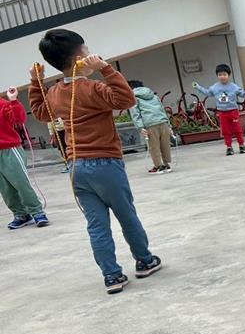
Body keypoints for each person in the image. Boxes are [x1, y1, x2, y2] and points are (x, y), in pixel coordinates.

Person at [29, 28, 162, 294]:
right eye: (87, 50)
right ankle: (144, 260)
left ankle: (112, 275)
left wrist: (36, 82)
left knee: (97, 225)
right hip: (106, 163)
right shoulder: (93, 88)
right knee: (126, 215)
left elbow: (41, 112)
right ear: (80, 58)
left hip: (76, 168)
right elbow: (127, 99)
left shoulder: (55, 93)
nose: (92, 54)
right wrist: (106, 69)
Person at [1, 86, 50, 229]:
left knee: (20, 182)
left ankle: (37, 212)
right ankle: (20, 214)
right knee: (5, 188)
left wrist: (13, 101)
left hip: (10, 150)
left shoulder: (3, 105)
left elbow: (19, 119)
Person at [193, 65, 245, 156]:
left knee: (237, 129)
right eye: (220, 74)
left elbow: (243, 94)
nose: (222, 76)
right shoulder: (215, 87)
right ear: (217, 76)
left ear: (229, 75)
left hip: (233, 111)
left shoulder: (234, 87)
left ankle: (241, 145)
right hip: (222, 113)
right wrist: (198, 87)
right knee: (226, 131)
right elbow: (207, 93)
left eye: (224, 74)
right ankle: (229, 147)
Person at [127, 80, 174, 174]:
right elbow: (162, 110)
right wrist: (169, 125)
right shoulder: (154, 96)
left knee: (154, 146)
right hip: (163, 122)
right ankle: (166, 165)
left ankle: (159, 166)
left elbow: (135, 114)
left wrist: (140, 127)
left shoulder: (133, 98)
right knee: (165, 144)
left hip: (150, 124)